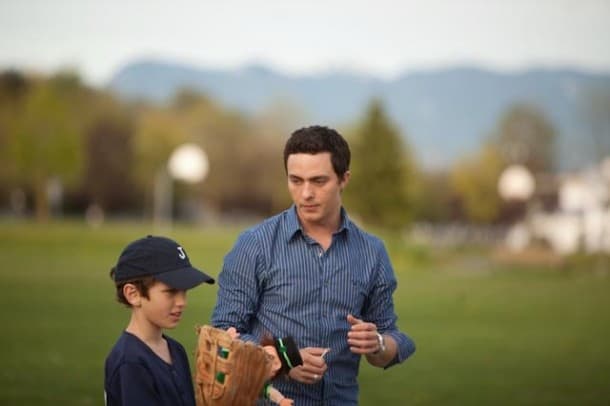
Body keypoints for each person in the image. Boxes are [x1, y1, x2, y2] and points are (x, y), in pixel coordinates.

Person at [211, 125, 416, 405]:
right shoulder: (254, 245)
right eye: (296, 180)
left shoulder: (372, 252)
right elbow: (223, 334)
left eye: (318, 181)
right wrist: (284, 360)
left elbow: (390, 339)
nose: (305, 193)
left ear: (344, 179)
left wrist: (377, 343)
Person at [104, 235, 215, 406]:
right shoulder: (130, 363)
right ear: (133, 294)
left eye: (184, 291)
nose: (182, 302)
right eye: (170, 292)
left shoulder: (175, 350)